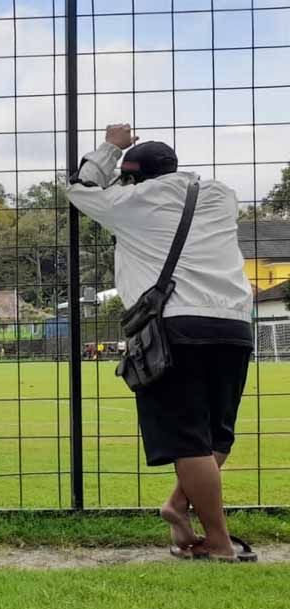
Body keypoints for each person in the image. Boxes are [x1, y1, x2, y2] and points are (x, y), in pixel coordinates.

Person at [68, 123, 254, 561]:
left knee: (187, 439)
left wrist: (111, 147)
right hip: (233, 324)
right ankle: (176, 505)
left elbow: (79, 189)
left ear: (133, 177)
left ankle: (219, 542)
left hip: (176, 328)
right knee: (216, 435)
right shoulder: (220, 196)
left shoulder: (131, 201)